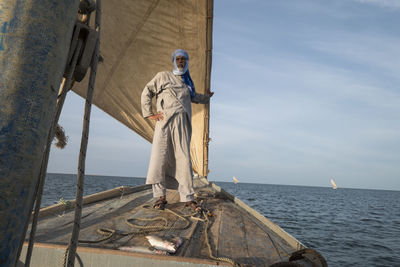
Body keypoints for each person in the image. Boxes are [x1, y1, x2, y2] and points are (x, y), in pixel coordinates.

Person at [141, 49, 213, 212]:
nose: (181, 62)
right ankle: (160, 197)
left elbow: (194, 97)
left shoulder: (188, 83)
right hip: (165, 122)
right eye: (178, 59)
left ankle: (188, 197)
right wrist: (149, 113)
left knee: (183, 159)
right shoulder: (163, 76)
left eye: (184, 59)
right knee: (159, 158)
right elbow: (147, 91)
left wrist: (207, 97)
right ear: (174, 60)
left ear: (187, 62)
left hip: (183, 124)